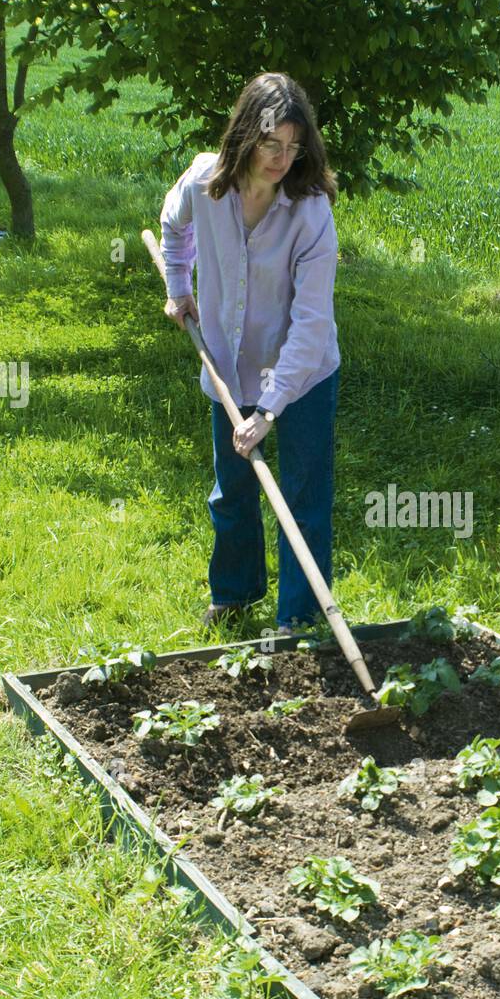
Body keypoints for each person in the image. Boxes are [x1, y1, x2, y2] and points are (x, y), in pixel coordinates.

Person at [159, 72, 341, 633]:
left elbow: (311, 326)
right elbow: (172, 225)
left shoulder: (310, 213)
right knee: (232, 489)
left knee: (303, 499)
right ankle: (235, 594)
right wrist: (178, 287)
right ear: (245, 136)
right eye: (271, 144)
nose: (282, 158)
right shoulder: (203, 181)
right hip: (228, 366)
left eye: (293, 147)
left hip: (303, 376)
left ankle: (300, 619)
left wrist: (268, 411)